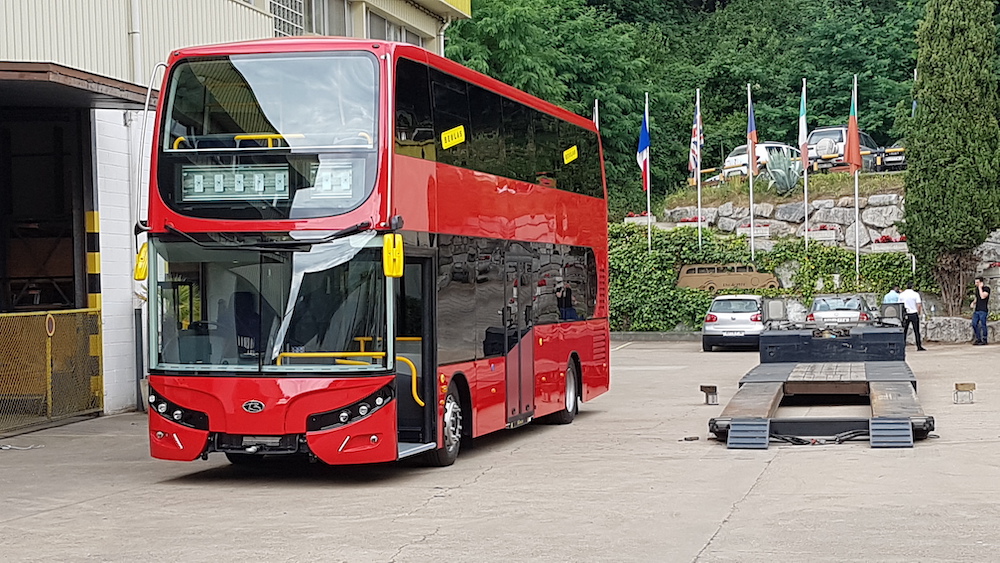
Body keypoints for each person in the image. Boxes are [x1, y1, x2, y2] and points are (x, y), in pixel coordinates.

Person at [900, 282, 926, 351]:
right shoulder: (915, 294)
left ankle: (902, 345)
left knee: (904, 331)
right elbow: (919, 304)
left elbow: (899, 305)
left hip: (905, 314)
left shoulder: (902, 295)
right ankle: (918, 346)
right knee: (916, 331)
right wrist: (919, 313)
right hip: (914, 313)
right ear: (912, 287)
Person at [971, 276, 991, 345]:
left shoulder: (986, 289)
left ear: (981, 282)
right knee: (974, 323)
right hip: (977, 309)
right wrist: (973, 302)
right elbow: (978, 297)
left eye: (977, 282)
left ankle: (984, 339)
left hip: (983, 310)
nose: (976, 283)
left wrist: (980, 288)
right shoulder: (977, 289)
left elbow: (982, 296)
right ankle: (978, 338)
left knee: (983, 324)